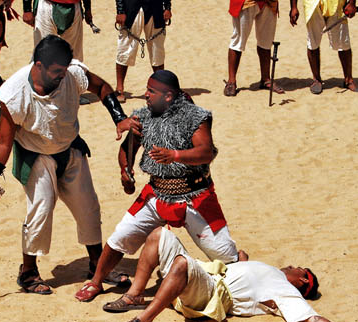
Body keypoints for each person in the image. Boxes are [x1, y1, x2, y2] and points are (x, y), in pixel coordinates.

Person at [0, 35, 134, 294]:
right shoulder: (15, 93)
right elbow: (3, 141)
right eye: (55, 72)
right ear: (38, 65)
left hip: (70, 147)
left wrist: (118, 117)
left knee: (88, 207)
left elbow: (103, 87)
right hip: (36, 155)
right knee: (40, 209)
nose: (62, 76)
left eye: (64, 70)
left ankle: (97, 264)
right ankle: (28, 272)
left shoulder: (72, 74)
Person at [75, 70, 239, 302]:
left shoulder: (196, 117)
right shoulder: (142, 117)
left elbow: (205, 152)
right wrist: (125, 170)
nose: (145, 95)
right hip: (157, 194)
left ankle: (240, 274)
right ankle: (96, 281)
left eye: (151, 91)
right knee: (120, 237)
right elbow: (126, 150)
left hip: (196, 196)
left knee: (226, 256)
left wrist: (175, 155)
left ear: (169, 96)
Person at [107, 227, 358, 322]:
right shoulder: (271, 272)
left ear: (303, 280)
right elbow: (244, 271)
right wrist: (243, 261)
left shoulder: (285, 291)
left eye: (300, 268)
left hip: (209, 293)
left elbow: (311, 318)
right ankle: (133, 296)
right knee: (159, 235)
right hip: (208, 277)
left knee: (183, 264)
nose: (293, 265)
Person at [289, 0, 358, 94]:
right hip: (312, 4)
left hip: (337, 4)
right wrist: (294, 7)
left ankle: (348, 80)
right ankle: (316, 79)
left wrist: (352, 3)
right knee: (313, 42)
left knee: (344, 42)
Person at [114, 0, 172, 102]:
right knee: (125, 49)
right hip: (131, 7)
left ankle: (160, 88)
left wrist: (167, 7)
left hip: (155, 8)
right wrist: (120, 11)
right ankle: (119, 89)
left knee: (157, 51)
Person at [224, 0, 285, 97]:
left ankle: (266, 79)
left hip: (269, 2)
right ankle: (231, 81)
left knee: (266, 41)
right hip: (246, 2)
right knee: (238, 40)